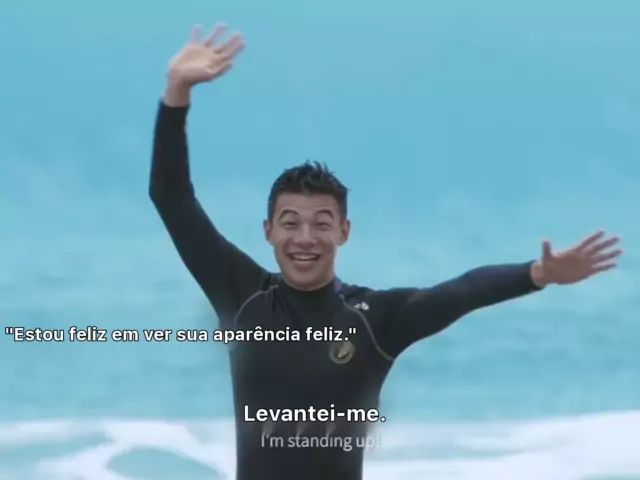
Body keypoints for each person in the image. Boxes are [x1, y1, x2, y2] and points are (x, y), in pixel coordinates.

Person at [149, 24, 623, 480]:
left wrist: (536, 273)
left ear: (344, 232)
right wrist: (176, 94)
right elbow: (172, 198)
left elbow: (461, 292)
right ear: (268, 232)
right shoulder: (242, 295)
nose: (305, 238)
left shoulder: (376, 320)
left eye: (321, 223)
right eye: (290, 223)